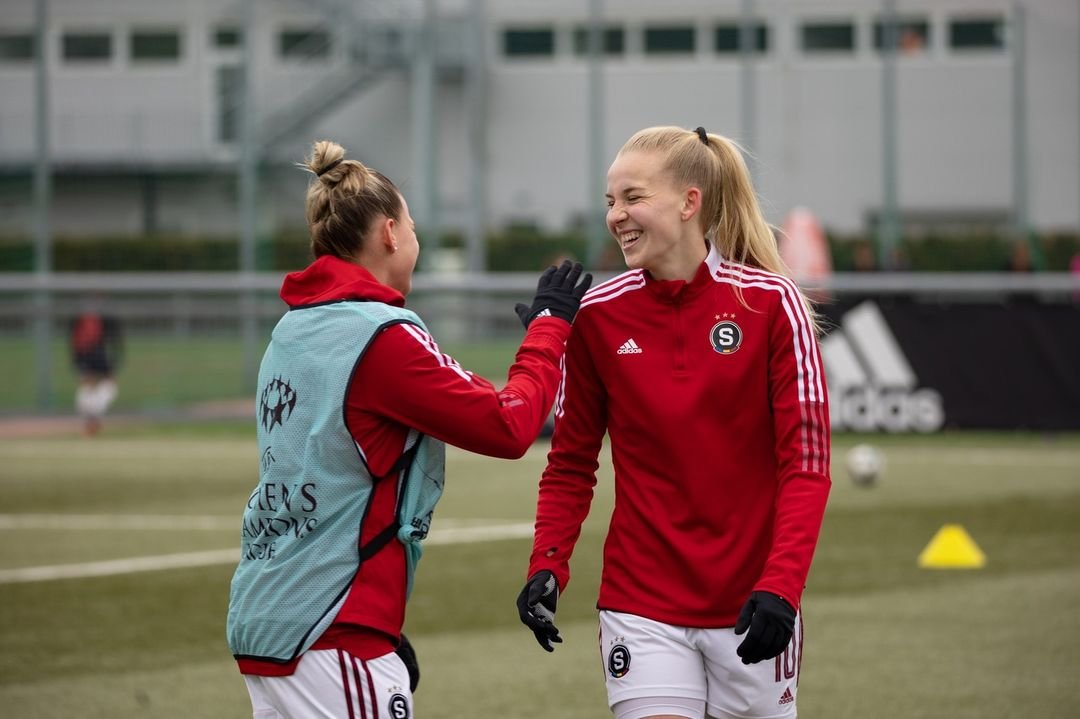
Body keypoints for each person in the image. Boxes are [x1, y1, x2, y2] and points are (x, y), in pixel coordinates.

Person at [227, 139, 591, 718]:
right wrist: (549, 329)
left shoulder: (291, 330)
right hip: (334, 632)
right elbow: (509, 425)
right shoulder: (382, 335)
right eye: (414, 228)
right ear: (390, 234)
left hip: (270, 621)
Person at [516, 126, 831, 719]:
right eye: (610, 201)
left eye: (633, 197)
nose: (616, 215)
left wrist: (782, 584)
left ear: (690, 202)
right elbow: (570, 464)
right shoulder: (596, 317)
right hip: (640, 603)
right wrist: (548, 562)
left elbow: (806, 466)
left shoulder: (772, 302)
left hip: (753, 604)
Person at [69, 302, 123, 436]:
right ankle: (92, 421)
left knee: (93, 387)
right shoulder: (85, 319)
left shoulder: (100, 318)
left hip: (90, 354)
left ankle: (92, 421)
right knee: (94, 387)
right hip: (91, 354)